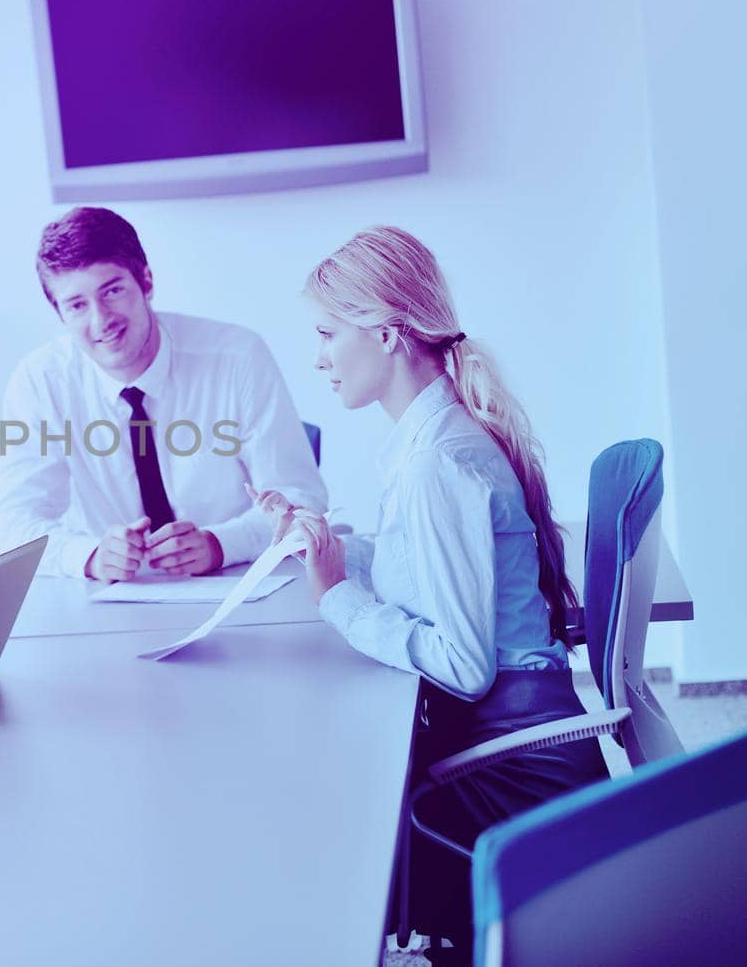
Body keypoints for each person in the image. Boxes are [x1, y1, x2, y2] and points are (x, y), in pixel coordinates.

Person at [255, 226, 608, 965]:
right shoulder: (434, 437)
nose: (318, 356)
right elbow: (425, 566)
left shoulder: (435, 464)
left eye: (327, 334)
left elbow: (464, 664)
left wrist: (336, 600)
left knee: (326, 826)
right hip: (510, 737)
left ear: (385, 333)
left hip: (512, 767)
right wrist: (333, 549)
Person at [0, 206, 326, 581]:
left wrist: (220, 544)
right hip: (110, 604)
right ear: (60, 313)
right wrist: (89, 557)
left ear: (147, 283)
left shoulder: (237, 357)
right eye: (77, 305)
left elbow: (300, 500)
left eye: (113, 291)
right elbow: (13, 526)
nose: (101, 321)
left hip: (238, 587)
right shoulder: (40, 382)